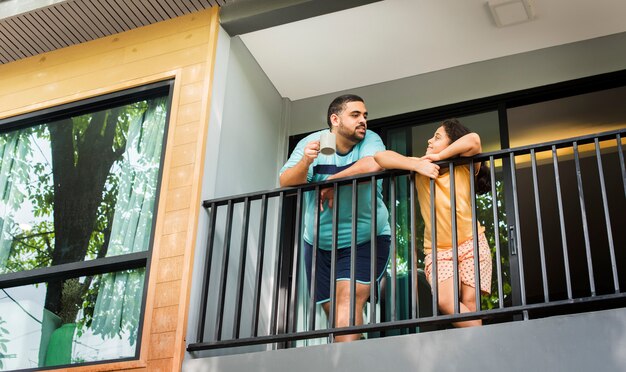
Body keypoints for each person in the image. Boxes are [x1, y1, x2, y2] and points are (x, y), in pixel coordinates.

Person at [279, 94, 390, 341]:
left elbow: (375, 164)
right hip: (319, 246)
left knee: (347, 310)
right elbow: (286, 180)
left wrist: (332, 181)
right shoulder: (315, 142)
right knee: (339, 320)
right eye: (356, 115)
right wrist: (306, 161)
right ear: (335, 119)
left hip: (365, 239)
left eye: (365, 115)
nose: (363, 120)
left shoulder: (370, 140)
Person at [374, 118, 492, 327]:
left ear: (451, 144)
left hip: (471, 242)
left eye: (437, 137)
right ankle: (484, 344)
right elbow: (381, 157)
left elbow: (473, 140)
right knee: (446, 302)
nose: (430, 140)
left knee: (470, 304)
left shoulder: (465, 167)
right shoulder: (421, 168)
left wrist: (439, 156)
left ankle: (474, 352)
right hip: (439, 251)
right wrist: (417, 164)